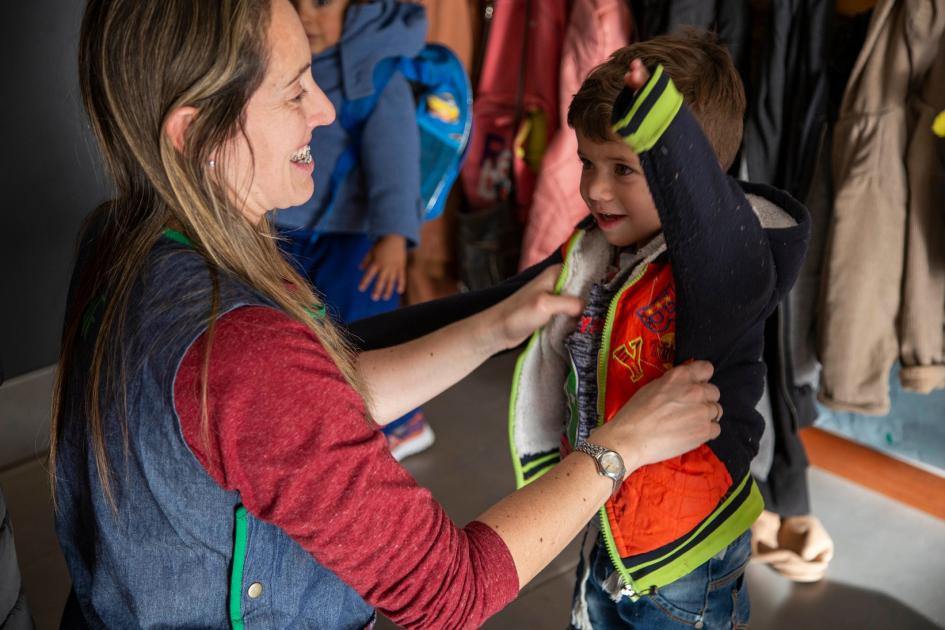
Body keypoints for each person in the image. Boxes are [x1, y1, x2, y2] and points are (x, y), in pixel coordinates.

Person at [50, 1, 724, 627]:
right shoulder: (242, 347)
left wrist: (492, 328)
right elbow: (450, 592)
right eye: (293, 91)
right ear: (196, 132)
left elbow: (294, 415)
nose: (323, 110)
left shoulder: (118, 236)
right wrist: (618, 448)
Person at [506, 32, 810, 628]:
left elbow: (708, 221)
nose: (594, 189)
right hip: (607, 521)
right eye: (587, 163)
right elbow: (492, 309)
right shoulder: (597, 252)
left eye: (624, 168)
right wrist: (347, 342)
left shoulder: (732, 268)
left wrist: (666, 129)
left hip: (686, 555)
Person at [277, 0, 435, 460]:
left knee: (365, 327)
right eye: (296, 2)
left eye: (322, 3)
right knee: (302, 329)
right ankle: (327, 415)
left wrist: (393, 238)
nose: (306, 14)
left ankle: (403, 422)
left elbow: (396, 163)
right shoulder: (287, 63)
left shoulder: (378, 77)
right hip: (291, 226)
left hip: (356, 238)